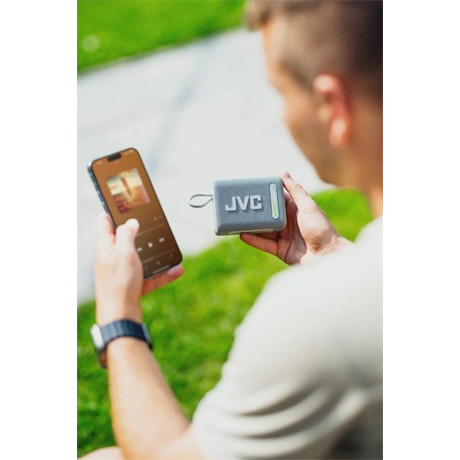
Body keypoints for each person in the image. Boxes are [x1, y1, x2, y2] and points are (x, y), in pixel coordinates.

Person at [81, 0, 383, 458]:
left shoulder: (317, 318)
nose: (282, 115)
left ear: (333, 105)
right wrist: (336, 259)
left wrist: (117, 316)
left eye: (282, 93)